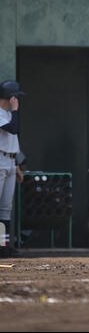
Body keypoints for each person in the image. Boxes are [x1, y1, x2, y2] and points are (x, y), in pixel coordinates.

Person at [0, 81, 24, 258]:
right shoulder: (4, 114)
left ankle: (3, 245)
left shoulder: (8, 114)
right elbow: (13, 130)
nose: (17, 100)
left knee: (6, 207)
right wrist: (15, 110)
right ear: (9, 97)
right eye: (16, 97)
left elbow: (13, 140)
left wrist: (16, 166)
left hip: (9, 162)